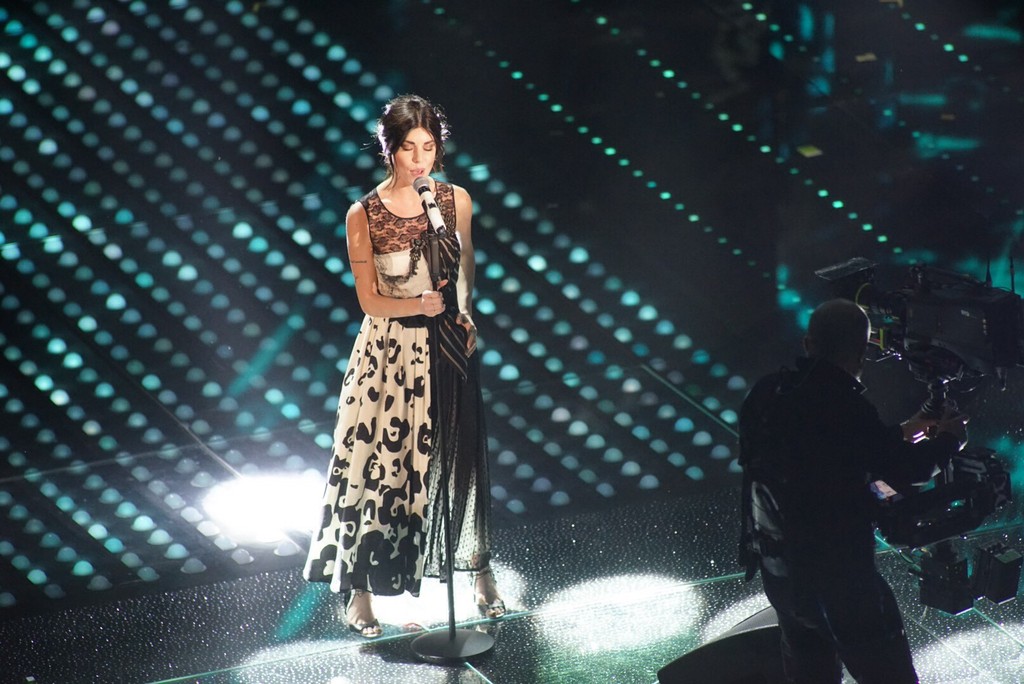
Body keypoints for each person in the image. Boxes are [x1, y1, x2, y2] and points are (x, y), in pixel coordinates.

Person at [303, 94, 504, 638]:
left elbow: (465, 264)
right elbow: (368, 299)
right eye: (409, 148)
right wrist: (416, 304)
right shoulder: (364, 214)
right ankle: (360, 593)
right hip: (390, 352)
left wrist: (464, 311)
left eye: (429, 147)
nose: (420, 160)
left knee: (460, 461)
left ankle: (479, 573)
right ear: (388, 149)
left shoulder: (454, 200)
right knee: (380, 469)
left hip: (446, 344)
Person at [737, 299, 968, 683]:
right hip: (842, 588)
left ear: (808, 343)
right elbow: (909, 470)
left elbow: (825, 456)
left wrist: (905, 431)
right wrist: (949, 440)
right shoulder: (844, 405)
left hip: (782, 578)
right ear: (862, 353)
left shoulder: (767, 393)